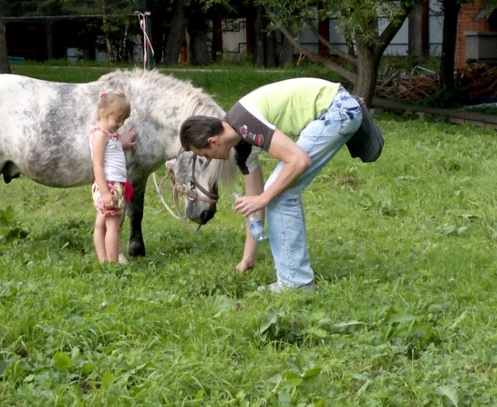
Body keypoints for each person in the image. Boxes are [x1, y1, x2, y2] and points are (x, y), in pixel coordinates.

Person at [179, 77, 363, 292]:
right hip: (338, 108)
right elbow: (254, 205)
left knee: (280, 192)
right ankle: (294, 279)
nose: (209, 160)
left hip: (338, 109)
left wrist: (265, 197)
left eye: (204, 154)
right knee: (277, 190)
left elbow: (299, 161)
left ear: (212, 141)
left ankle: (296, 282)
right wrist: (248, 259)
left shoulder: (245, 123)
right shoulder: (242, 146)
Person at [90, 90, 138, 263]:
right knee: (113, 227)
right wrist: (105, 193)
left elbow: (112, 149)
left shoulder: (109, 135)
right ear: (103, 113)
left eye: (123, 120)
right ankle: (112, 262)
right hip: (108, 186)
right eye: (117, 120)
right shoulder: (100, 135)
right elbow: (98, 164)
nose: (120, 124)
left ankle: (103, 261)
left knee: (102, 224)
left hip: (112, 185)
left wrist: (123, 142)